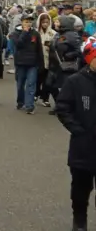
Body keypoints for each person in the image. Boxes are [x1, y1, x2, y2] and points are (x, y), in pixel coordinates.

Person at [54, 38, 95, 231]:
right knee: (80, 189)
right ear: (89, 58)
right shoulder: (75, 81)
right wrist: (77, 129)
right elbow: (63, 108)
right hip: (83, 146)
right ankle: (79, 221)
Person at [43, 15, 84, 114]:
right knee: (50, 85)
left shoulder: (72, 35)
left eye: (58, 22)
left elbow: (78, 50)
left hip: (65, 66)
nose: (55, 23)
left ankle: (64, 107)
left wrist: (68, 56)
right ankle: (59, 105)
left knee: (65, 88)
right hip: (54, 65)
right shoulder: (58, 34)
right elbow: (57, 45)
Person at [10, 13, 44, 114]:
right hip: (20, 63)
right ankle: (20, 101)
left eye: (30, 22)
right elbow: (19, 44)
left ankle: (29, 106)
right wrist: (24, 32)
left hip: (32, 64)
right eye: (26, 22)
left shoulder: (35, 34)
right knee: (20, 85)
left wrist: (41, 64)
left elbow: (39, 49)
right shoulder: (15, 33)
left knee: (31, 84)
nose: (28, 24)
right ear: (22, 22)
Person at [35, 13, 56, 103]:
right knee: (37, 78)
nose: (45, 24)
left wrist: (51, 46)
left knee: (47, 80)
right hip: (38, 59)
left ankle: (45, 98)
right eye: (43, 22)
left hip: (49, 59)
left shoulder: (53, 33)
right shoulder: (35, 32)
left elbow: (56, 46)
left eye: (47, 22)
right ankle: (36, 94)